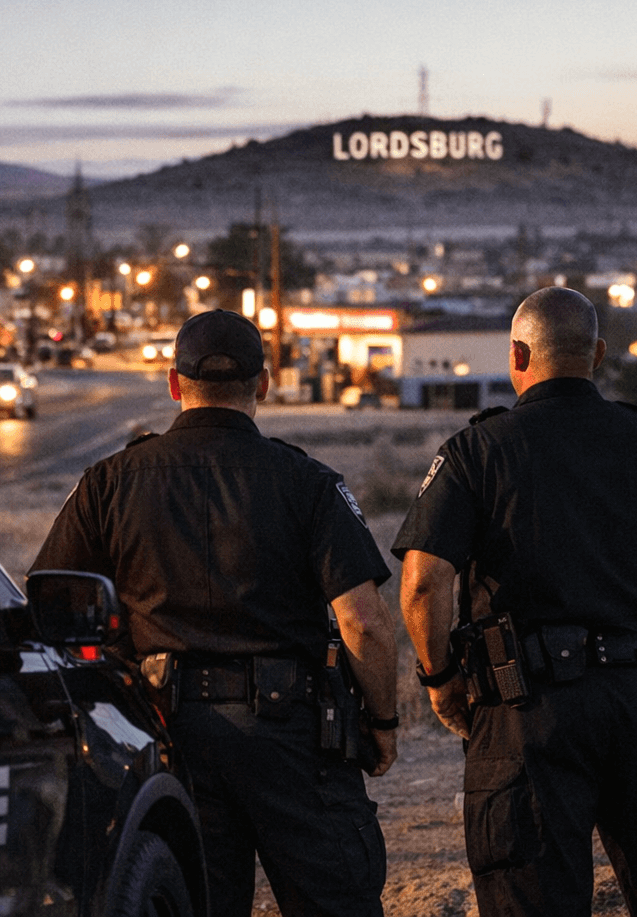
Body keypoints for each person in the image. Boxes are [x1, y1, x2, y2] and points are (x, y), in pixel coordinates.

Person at [394, 287, 637, 917]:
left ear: (517, 354)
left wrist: (439, 679)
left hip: (528, 711)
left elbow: (422, 582)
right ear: (599, 354)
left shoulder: (478, 452)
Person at [30, 308, 400, 917]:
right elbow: (364, 622)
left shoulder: (108, 483)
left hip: (164, 732)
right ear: (265, 383)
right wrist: (381, 723)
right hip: (293, 740)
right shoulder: (307, 482)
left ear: (174, 384)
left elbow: (51, 606)